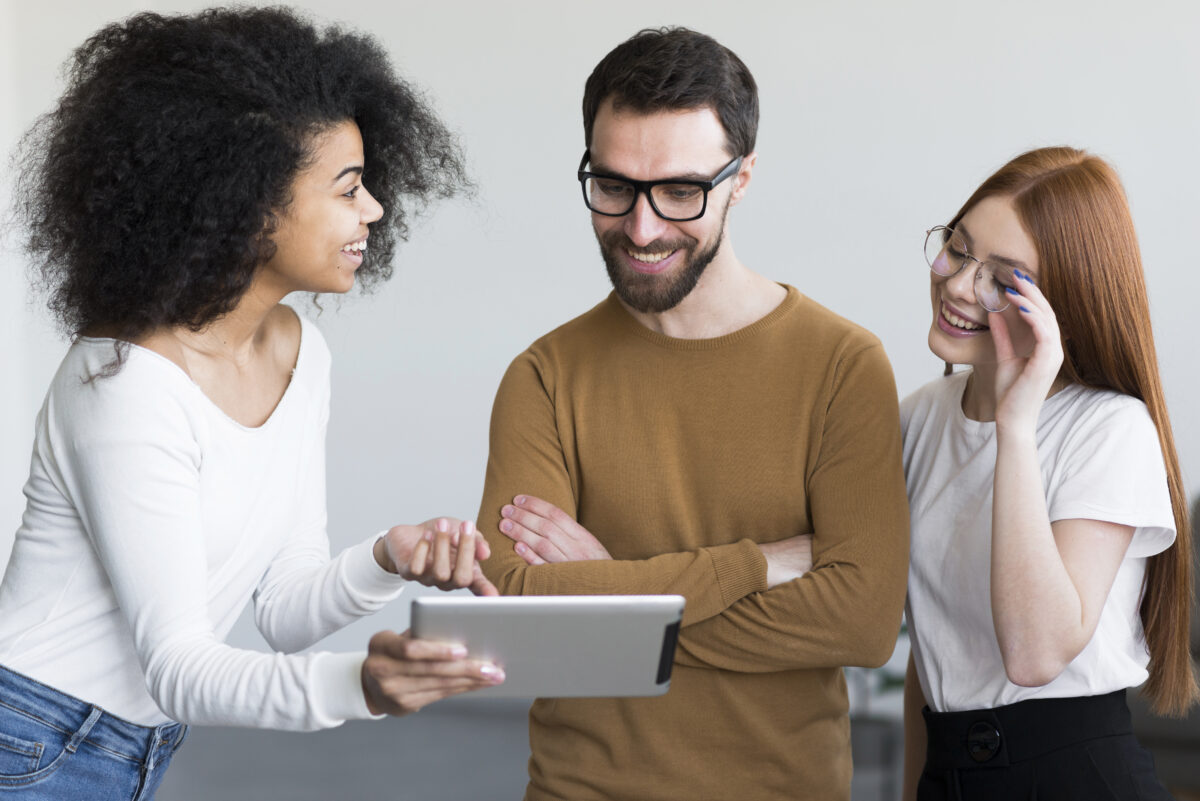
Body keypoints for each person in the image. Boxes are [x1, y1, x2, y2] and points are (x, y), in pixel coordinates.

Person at [0, 8, 503, 799]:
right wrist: (361, 686)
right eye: (348, 187)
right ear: (249, 203)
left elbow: (284, 607)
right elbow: (179, 667)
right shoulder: (125, 384)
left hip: (126, 748)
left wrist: (388, 556)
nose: (374, 208)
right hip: (30, 737)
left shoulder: (302, 351)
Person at [475, 27, 910, 801]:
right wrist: (753, 565)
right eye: (614, 186)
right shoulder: (543, 377)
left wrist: (608, 594)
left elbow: (862, 621)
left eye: (681, 191)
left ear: (742, 178)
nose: (641, 228)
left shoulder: (842, 365)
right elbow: (515, 610)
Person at [900, 146, 1197, 800]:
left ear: (1063, 306)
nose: (958, 286)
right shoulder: (920, 417)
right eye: (958, 248)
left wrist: (1015, 426)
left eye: (1005, 282)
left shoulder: (1110, 429)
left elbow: (1034, 654)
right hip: (950, 771)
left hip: (1074, 776)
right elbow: (934, 651)